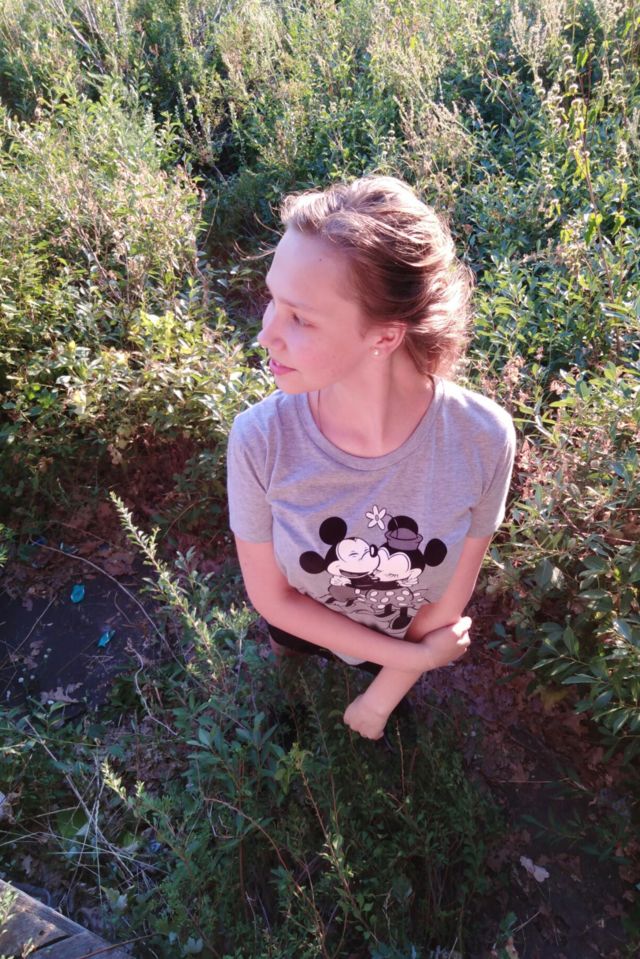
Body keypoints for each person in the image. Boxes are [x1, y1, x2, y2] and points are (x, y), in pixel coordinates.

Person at [227, 175, 516, 741]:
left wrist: (381, 699)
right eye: (272, 300)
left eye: (300, 318)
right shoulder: (260, 439)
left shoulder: (482, 439)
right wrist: (418, 660)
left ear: (383, 337)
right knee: (291, 663)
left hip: (400, 635)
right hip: (303, 622)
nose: (265, 335)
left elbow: (444, 605)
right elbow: (274, 598)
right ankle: (292, 696)